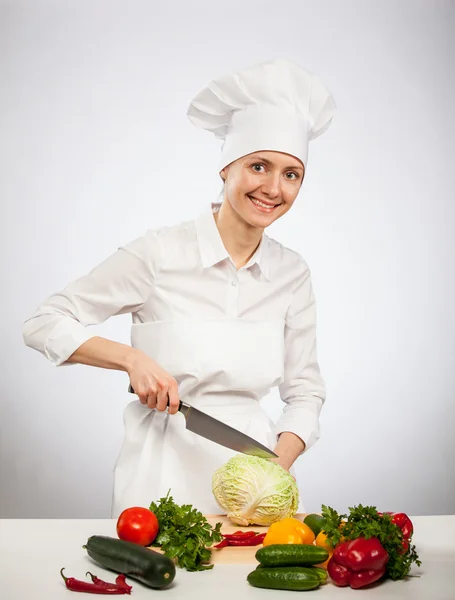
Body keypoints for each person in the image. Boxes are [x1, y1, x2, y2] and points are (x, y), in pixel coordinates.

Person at [22, 59, 336, 518]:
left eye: (292, 174)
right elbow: (43, 323)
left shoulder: (292, 273)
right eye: (259, 166)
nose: (273, 188)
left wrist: (272, 470)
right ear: (226, 169)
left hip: (256, 481)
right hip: (159, 477)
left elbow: (305, 391)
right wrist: (130, 359)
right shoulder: (159, 253)